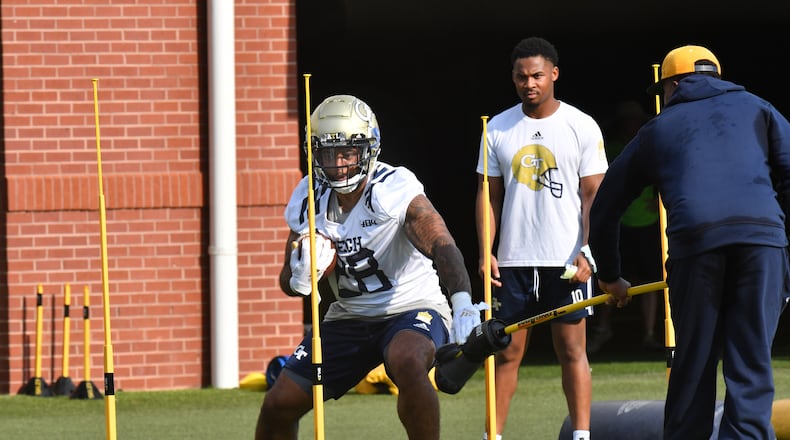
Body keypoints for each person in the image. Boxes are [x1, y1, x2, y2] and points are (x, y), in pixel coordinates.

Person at [589, 45, 790, 439]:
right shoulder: (760, 108)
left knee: (694, 365)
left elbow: (605, 207)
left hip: (696, 248)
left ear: (674, 84)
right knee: (751, 366)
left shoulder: (659, 127)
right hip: (763, 245)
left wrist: (611, 276)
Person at [255, 94, 485, 440]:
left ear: (369, 149)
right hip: (348, 316)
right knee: (279, 403)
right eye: (327, 153)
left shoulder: (391, 187)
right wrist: (301, 274)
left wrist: (463, 302)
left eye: (347, 152)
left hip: (410, 307)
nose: (338, 164)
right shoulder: (308, 195)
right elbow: (287, 282)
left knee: (407, 362)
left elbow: (442, 243)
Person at [475, 37, 608, 440]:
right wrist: (486, 252)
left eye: (536, 75)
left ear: (554, 74)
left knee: (572, 351)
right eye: (521, 76)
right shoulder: (496, 127)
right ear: (513, 79)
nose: (529, 83)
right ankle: (492, 436)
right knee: (506, 354)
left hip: (566, 261)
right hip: (513, 262)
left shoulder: (581, 125)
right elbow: (488, 195)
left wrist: (590, 250)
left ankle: (581, 435)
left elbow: (594, 196)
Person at [586, 100, 663, 353]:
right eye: (626, 120)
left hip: (648, 223)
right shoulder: (613, 148)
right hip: (619, 223)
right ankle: (602, 330)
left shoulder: (651, 144)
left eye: (635, 119)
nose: (631, 124)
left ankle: (650, 333)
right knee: (611, 277)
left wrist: (658, 195)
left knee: (651, 279)